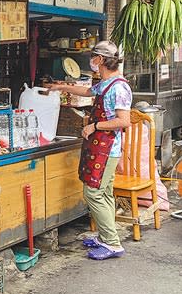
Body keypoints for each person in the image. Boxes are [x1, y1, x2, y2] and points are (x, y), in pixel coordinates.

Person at [47, 41, 132, 260]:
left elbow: (124, 121)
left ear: (101, 60)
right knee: (104, 192)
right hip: (100, 147)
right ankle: (106, 236)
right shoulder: (105, 83)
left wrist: (94, 126)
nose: (91, 61)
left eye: (93, 57)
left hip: (108, 149)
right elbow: (86, 90)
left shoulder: (119, 87)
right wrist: (62, 87)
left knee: (93, 192)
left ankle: (112, 243)